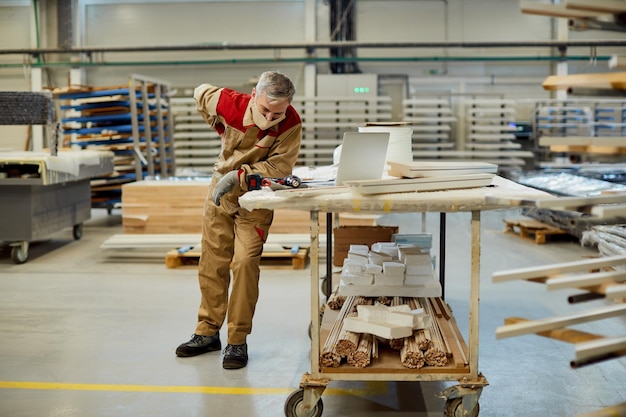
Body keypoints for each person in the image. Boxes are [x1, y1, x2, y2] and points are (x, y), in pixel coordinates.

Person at [175, 71, 302, 369]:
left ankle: (237, 340)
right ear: (254, 95)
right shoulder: (228, 103)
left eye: (278, 112)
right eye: (265, 109)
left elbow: (279, 167)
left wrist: (239, 176)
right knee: (212, 261)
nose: (271, 117)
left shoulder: (291, 123)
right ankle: (207, 333)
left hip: (255, 196)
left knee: (244, 262)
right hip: (220, 192)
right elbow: (199, 91)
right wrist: (216, 124)